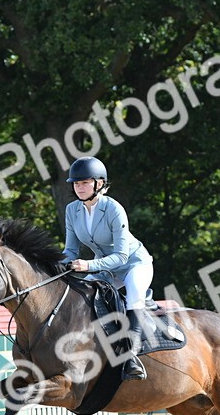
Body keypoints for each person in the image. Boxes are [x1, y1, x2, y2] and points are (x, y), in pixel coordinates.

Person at [63, 156, 153, 380]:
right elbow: (70, 251)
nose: (79, 187)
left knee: (133, 294)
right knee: (82, 292)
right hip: (106, 268)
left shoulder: (114, 209)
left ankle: (132, 355)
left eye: (84, 183)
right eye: (76, 183)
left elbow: (122, 256)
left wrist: (88, 265)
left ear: (99, 184)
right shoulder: (72, 210)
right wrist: (59, 266)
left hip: (133, 263)